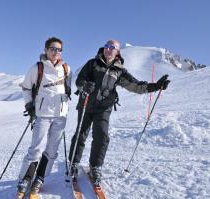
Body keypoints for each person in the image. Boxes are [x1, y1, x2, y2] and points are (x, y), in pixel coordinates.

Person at [68, 39, 170, 187]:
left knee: (102, 136)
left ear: (117, 52)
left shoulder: (119, 71)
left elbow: (136, 86)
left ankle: (95, 166)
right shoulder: (92, 64)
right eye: (107, 47)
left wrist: (156, 86)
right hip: (86, 104)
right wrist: (84, 86)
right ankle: (73, 164)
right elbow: (80, 80)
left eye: (112, 48)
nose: (108, 49)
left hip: (104, 107)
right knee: (80, 134)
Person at [17, 37, 72, 195]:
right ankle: (26, 178)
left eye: (59, 50)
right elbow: (26, 88)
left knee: (52, 150)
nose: (56, 52)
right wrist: (29, 105)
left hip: (61, 116)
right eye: (53, 49)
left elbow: (68, 89)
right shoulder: (38, 67)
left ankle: (40, 178)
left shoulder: (66, 69)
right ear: (46, 50)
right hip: (43, 115)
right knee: (36, 148)